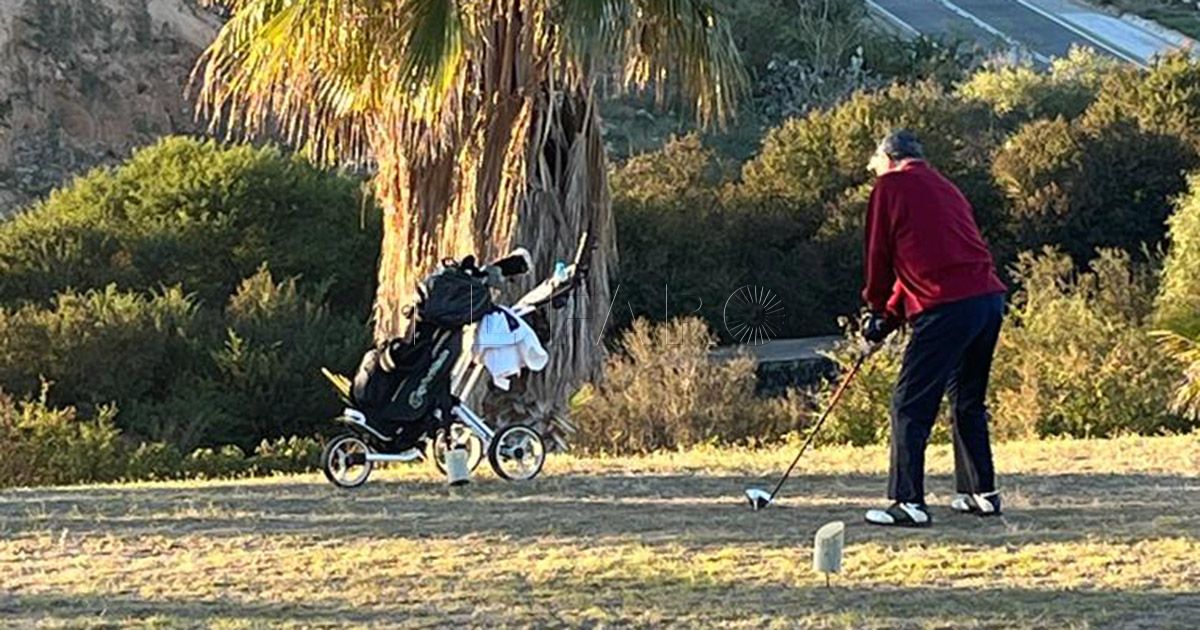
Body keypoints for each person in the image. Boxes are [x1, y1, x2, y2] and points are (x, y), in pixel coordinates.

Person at [859, 129, 1008, 527]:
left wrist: (874, 310)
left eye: (874, 159)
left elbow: (880, 255)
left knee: (909, 404)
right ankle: (982, 494)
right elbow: (919, 265)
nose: (871, 167)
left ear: (889, 158)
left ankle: (908, 502)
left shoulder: (890, 187)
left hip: (946, 306)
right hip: (988, 300)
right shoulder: (946, 187)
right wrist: (886, 321)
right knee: (967, 400)